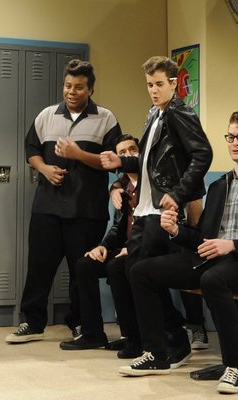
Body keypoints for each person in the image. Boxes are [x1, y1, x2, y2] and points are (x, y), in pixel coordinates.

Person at [118, 109, 238, 395]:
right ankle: (157, 353)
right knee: (141, 271)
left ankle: (235, 366)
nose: (235, 143)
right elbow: (201, 238)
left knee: (213, 280)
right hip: (210, 259)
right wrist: (176, 230)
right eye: (230, 137)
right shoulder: (220, 185)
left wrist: (232, 245)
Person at [100, 56, 213, 366]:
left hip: (159, 211)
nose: (153, 90)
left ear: (173, 84)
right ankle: (170, 340)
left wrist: (178, 194)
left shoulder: (180, 112)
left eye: (159, 84)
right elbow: (150, 161)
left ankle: (160, 348)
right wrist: (122, 162)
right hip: (144, 209)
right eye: (149, 84)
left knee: (141, 274)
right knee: (136, 273)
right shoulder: (154, 113)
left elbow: (203, 154)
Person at [5, 59, 122, 343]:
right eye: (68, 86)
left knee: (80, 272)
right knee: (39, 267)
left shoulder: (106, 119)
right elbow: (31, 149)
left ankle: (81, 323)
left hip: (87, 210)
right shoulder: (47, 115)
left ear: (90, 90)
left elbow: (113, 162)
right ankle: (32, 323)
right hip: (47, 207)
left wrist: (78, 154)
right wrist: (44, 169)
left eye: (79, 87)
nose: (71, 92)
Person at [59, 134, 140, 351]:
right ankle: (92, 333)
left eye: (132, 150)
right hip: (124, 249)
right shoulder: (122, 188)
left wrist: (131, 248)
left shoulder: (152, 184)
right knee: (85, 264)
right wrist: (102, 245)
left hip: (144, 248)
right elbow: (117, 227)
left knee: (116, 266)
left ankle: (132, 335)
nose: (128, 155)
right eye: (122, 152)